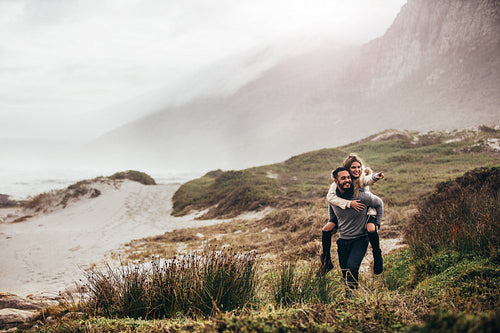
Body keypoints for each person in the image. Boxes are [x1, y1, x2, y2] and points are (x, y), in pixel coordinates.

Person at [320, 153, 384, 275]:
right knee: (326, 229)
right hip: (343, 232)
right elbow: (331, 200)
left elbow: (368, 180)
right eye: (353, 168)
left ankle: (377, 255)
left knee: (371, 229)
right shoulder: (335, 189)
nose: (356, 171)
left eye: (358, 167)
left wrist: (375, 176)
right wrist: (335, 219)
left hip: (370, 211)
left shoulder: (360, 188)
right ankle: (326, 260)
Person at [327, 167, 384, 293]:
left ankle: (352, 299)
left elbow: (379, 203)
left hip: (360, 239)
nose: (347, 180)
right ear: (336, 182)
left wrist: (377, 223)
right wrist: (331, 226)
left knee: (352, 267)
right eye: (343, 178)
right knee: (345, 273)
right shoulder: (333, 200)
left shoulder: (361, 195)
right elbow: (332, 216)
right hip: (343, 240)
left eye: (348, 177)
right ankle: (349, 297)